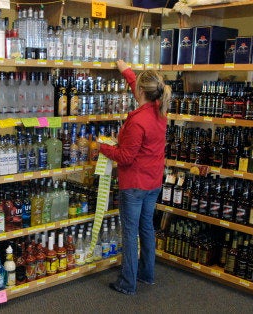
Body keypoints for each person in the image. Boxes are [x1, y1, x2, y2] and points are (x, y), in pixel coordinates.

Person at [99, 59, 170, 295]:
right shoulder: (159, 109)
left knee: (130, 234)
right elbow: (141, 91)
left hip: (135, 185)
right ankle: (146, 275)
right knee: (146, 228)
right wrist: (128, 72)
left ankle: (127, 283)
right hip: (153, 182)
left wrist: (102, 147)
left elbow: (126, 157)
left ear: (142, 91)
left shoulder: (138, 120)